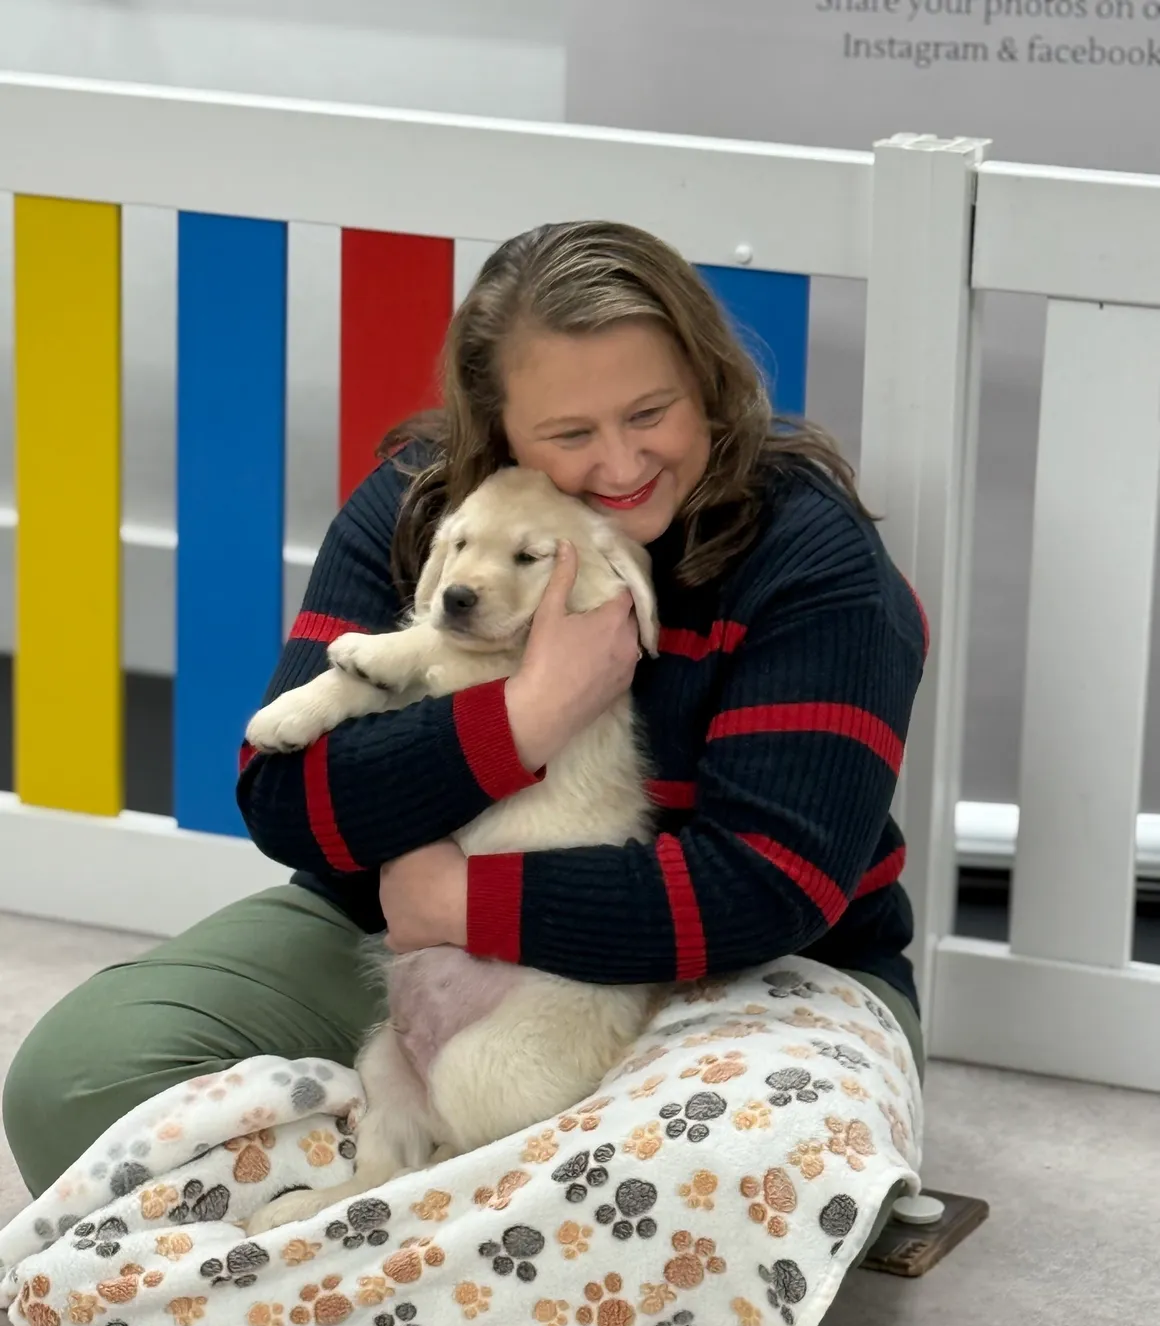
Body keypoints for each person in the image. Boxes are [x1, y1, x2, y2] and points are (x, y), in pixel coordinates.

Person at [2, 220, 927, 1204]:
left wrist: (462, 900)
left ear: (707, 384)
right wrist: (525, 716)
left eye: (649, 412)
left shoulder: (814, 562)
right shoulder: (427, 507)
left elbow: (771, 883)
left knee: (724, 1173)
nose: (619, 463)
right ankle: (444, 1206)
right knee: (79, 1085)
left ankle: (400, 1215)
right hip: (410, 950)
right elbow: (286, 803)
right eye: (569, 434)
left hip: (763, 973)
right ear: (497, 429)